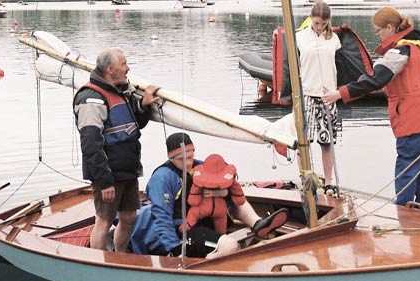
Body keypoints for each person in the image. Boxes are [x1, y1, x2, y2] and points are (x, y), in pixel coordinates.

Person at [323, 7, 420, 211]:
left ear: (390, 27)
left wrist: (340, 93)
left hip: (413, 118)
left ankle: (402, 213)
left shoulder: (399, 51)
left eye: (378, 30)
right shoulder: (418, 45)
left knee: (406, 167)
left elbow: (375, 80)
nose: (376, 34)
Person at [130, 133, 288, 259]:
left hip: (206, 221)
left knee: (231, 196)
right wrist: (175, 249)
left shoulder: (200, 166)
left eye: (190, 157)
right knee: (230, 246)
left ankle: (258, 224)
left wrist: (221, 192)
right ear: (171, 158)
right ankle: (203, 268)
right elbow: (162, 217)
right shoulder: (163, 178)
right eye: (181, 159)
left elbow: (229, 183)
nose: (188, 162)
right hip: (182, 231)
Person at [73, 48, 161, 252]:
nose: (128, 68)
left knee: (129, 217)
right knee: (103, 221)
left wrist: (143, 105)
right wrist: (104, 182)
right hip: (109, 174)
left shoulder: (121, 92)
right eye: (124, 64)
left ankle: (119, 256)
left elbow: (133, 125)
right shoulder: (91, 98)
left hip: (127, 170)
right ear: (111, 70)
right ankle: (97, 265)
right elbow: (90, 145)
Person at [296, 2, 342, 194]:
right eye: (316, 23)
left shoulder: (334, 39)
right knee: (302, 141)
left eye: (323, 24)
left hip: (327, 96)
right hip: (307, 93)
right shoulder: (299, 37)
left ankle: (329, 181)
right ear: (311, 18)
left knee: (327, 141)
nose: (319, 27)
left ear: (328, 22)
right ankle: (305, 177)